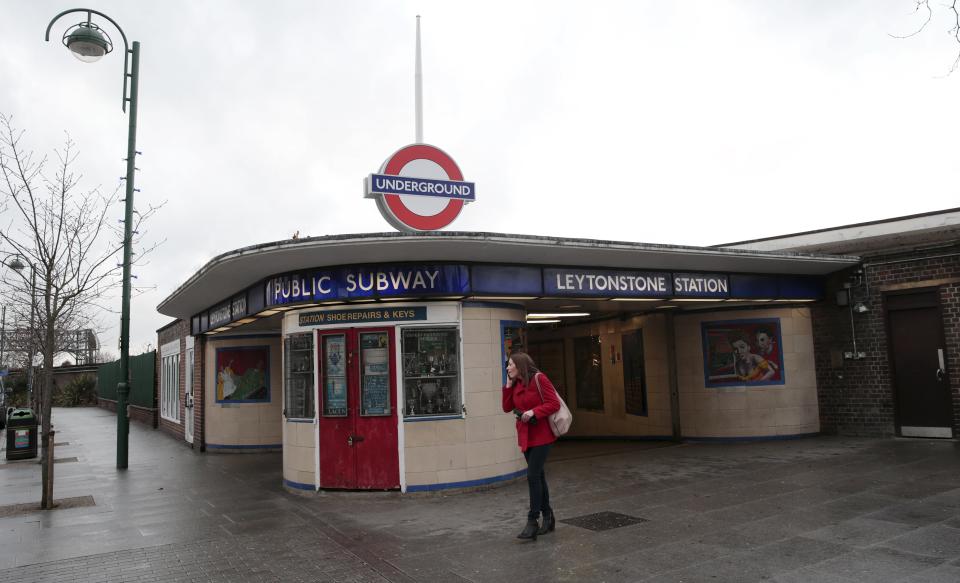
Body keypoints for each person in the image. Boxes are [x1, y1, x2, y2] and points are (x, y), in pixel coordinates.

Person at [502, 352, 561, 541]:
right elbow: (506, 407)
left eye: (510, 364)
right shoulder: (516, 383)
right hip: (526, 435)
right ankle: (548, 515)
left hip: (542, 434)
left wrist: (533, 412)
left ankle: (532, 521)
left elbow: (553, 403)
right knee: (539, 476)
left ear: (520, 365)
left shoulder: (539, 379)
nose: (508, 368)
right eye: (508, 365)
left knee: (533, 476)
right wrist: (508, 386)